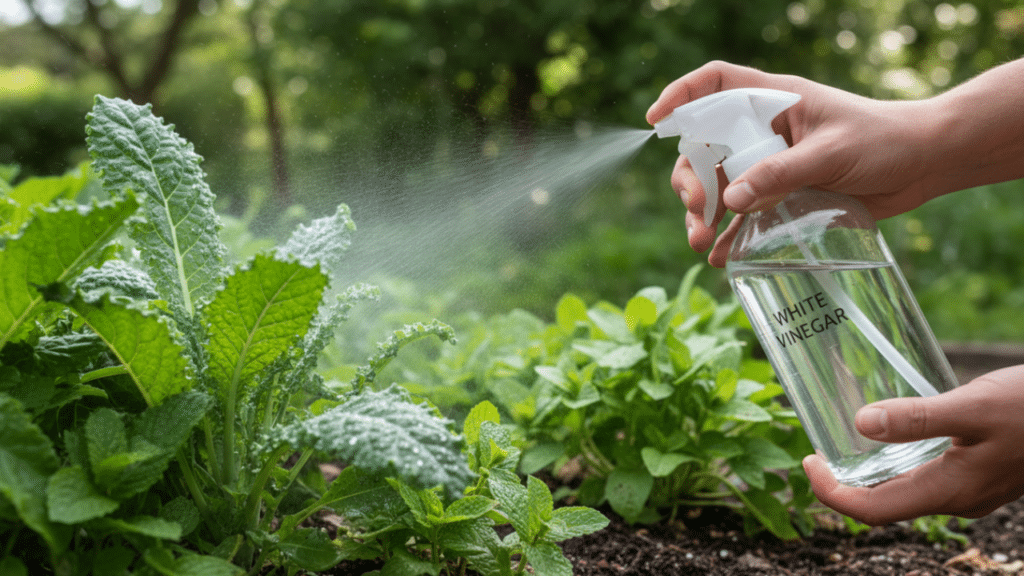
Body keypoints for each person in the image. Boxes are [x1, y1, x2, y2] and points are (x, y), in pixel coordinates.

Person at [646, 59, 1024, 526]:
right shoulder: (753, 252)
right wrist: (925, 139)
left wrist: (926, 141)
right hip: (859, 456)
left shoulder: (835, 215)